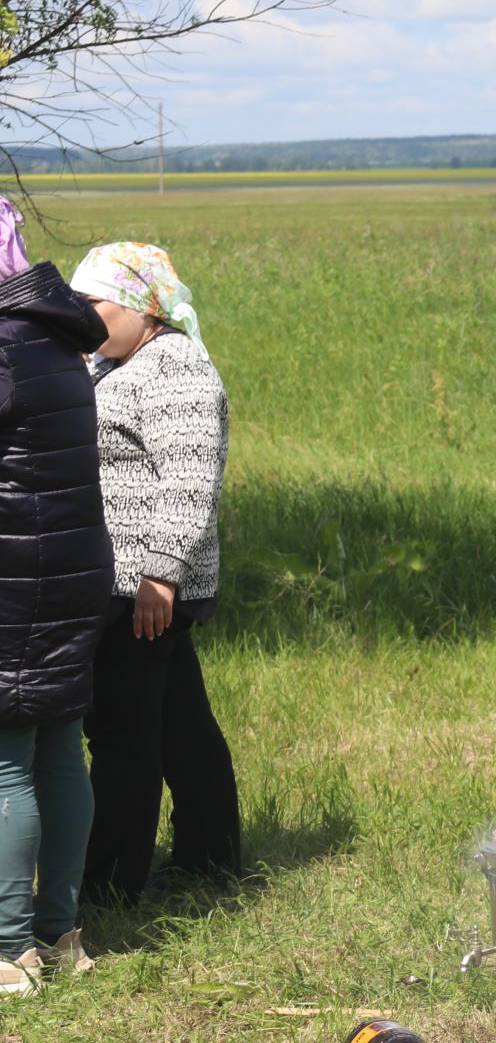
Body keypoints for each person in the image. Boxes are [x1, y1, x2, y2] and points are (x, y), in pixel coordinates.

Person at [70, 243, 239, 905]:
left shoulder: (176, 371)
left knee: (122, 735)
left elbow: (191, 482)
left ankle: (111, 885)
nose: (83, 315)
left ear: (144, 307)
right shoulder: (117, 362)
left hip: (144, 587)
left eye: (95, 302)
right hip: (131, 583)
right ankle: (210, 858)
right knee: (178, 726)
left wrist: (160, 576)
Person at [0, 199, 114, 993]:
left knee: (6, 765)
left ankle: (8, 951)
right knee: (60, 751)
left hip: (14, 576)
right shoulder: (52, 333)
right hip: (72, 570)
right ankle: (62, 933)